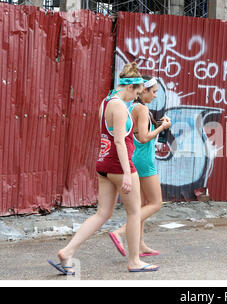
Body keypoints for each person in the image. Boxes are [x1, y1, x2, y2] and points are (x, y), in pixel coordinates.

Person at [48, 63, 158, 274]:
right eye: (136, 92)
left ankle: (67, 251)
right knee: (134, 212)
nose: (135, 98)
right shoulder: (118, 106)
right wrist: (127, 172)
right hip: (118, 164)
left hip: (103, 164)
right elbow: (119, 141)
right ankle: (134, 261)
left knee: (103, 213)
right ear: (129, 87)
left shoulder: (106, 101)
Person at [109, 76, 171, 258]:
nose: (155, 96)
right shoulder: (142, 109)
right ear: (143, 90)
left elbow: (137, 133)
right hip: (144, 161)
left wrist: (157, 124)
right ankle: (120, 232)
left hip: (133, 157)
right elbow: (144, 137)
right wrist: (163, 127)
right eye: (153, 92)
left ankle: (140, 244)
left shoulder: (129, 106)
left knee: (142, 204)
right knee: (156, 203)